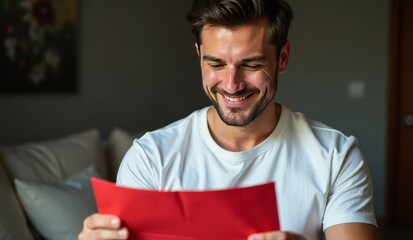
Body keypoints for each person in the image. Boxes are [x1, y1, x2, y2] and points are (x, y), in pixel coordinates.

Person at [78, 0, 380, 239]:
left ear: (283, 58)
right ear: (199, 55)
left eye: (251, 64)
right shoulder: (151, 158)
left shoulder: (336, 156)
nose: (232, 83)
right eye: (216, 63)